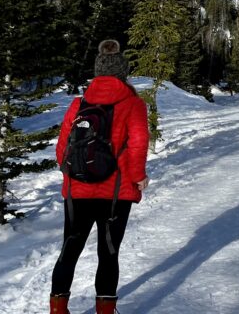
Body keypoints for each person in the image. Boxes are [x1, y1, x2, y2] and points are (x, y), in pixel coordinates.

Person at [50, 39, 150, 314]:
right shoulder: (132, 104)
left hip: (77, 190)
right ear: (122, 73)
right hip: (116, 193)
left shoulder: (80, 103)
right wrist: (138, 176)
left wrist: (72, 172)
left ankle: (58, 309)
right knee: (108, 253)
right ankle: (105, 310)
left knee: (69, 249)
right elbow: (138, 144)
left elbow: (62, 146)